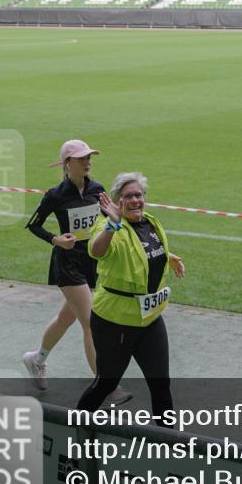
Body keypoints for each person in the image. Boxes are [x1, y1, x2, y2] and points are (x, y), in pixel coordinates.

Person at [22, 139, 131, 407]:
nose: (88, 161)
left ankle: (36, 359)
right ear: (67, 164)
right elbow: (34, 225)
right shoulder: (56, 195)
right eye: (82, 158)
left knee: (65, 319)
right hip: (67, 265)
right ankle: (107, 385)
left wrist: (113, 223)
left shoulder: (98, 190)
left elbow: (107, 221)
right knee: (91, 323)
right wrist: (56, 240)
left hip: (91, 262)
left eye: (89, 157)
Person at [76, 172, 185, 422]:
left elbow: (144, 251)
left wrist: (168, 256)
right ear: (117, 201)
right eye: (128, 196)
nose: (135, 200)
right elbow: (97, 251)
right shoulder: (108, 227)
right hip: (115, 322)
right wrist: (112, 224)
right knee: (106, 383)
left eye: (139, 195)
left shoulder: (150, 222)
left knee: (161, 383)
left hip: (149, 319)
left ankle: (167, 444)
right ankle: (76, 427)